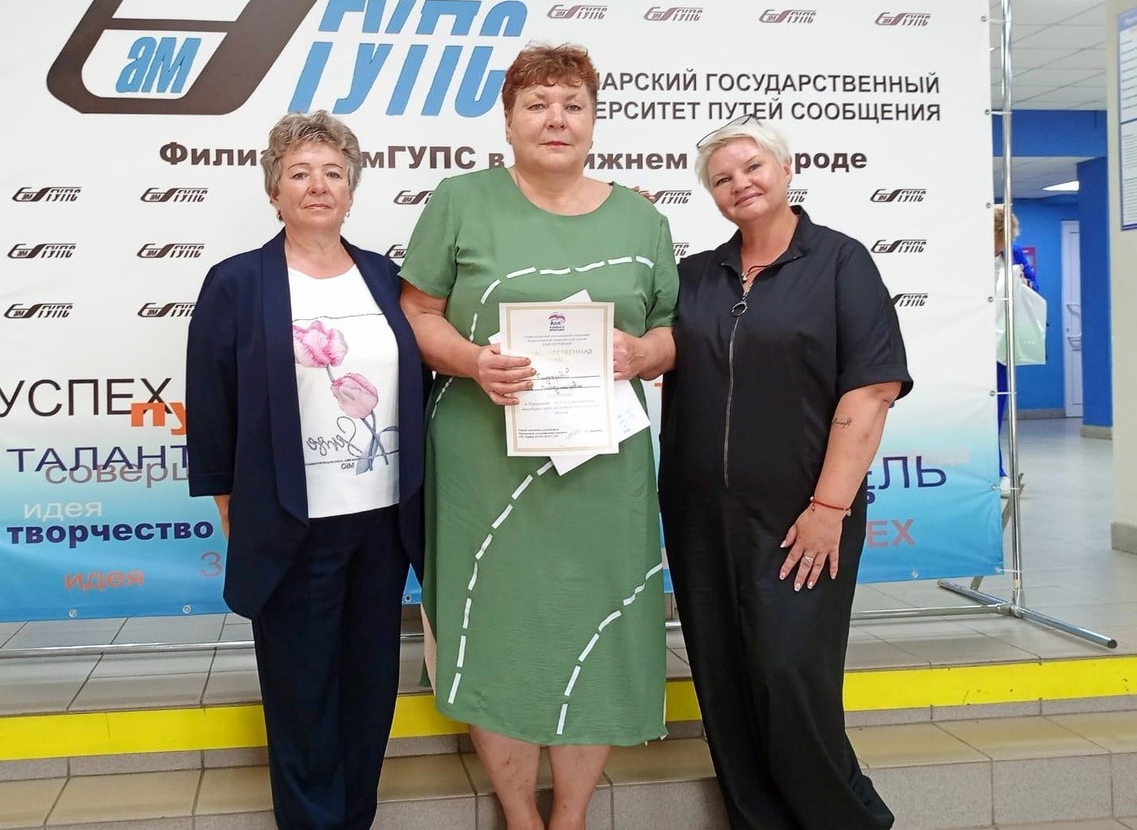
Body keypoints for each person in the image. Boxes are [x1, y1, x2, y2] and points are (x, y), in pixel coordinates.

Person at [399, 43, 676, 830]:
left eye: (573, 104)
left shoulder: (643, 218)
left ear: (594, 120)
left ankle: (572, 816)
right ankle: (521, 814)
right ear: (508, 119)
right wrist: (472, 361)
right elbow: (417, 311)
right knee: (498, 626)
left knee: (597, 622)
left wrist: (640, 354)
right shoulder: (460, 200)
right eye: (537, 103)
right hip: (483, 461)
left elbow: (670, 332)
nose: (557, 119)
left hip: (603, 467)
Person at [659, 116, 910, 830]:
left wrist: (829, 508)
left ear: (786, 169)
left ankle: (848, 821)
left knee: (789, 672)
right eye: (721, 178)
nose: (739, 184)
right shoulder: (694, 276)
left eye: (752, 167)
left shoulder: (840, 262)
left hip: (804, 513)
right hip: (700, 515)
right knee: (724, 678)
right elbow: (649, 351)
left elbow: (871, 390)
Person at [185, 110, 425, 830]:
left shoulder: (387, 277)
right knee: (301, 693)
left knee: (370, 686)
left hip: (382, 521)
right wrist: (229, 501)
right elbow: (211, 397)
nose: (318, 185)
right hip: (292, 521)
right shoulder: (236, 283)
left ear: (351, 189)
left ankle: (355, 818)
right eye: (299, 173)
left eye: (332, 172)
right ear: (274, 191)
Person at [994, 205, 1038, 495]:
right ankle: (990, 469)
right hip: (970, 344)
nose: (1000, 247)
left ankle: (997, 471)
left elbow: (1034, 287)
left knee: (996, 410)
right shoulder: (965, 256)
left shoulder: (1014, 254)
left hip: (1000, 346)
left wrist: (1025, 285)